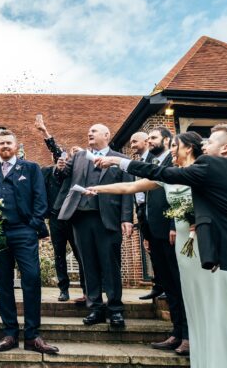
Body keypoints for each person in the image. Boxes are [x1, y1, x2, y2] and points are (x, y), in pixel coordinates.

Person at [96, 124, 227, 367]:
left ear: (225, 148)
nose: (205, 145)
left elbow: (166, 174)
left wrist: (117, 162)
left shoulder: (212, 166)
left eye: (211, 141)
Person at [55, 124, 134, 328]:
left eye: (94, 131)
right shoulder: (79, 157)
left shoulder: (120, 159)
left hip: (108, 219)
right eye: (88, 131)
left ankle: (115, 309)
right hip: (81, 218)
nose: (89, 133)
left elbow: (128, 190)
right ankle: (96, 308)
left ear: (106, 135)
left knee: (110, 265)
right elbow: (62, 177)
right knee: (88, 265)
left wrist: (127, 218)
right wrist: (60, 167)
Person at [0, 129, 59, 354]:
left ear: (16, 146)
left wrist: (33, 225)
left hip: (24, 231)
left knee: (31, 279)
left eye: (8, 143)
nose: (5, 146)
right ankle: (10, 333)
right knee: (3, 284)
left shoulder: (31, 168)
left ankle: (32, 335)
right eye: (1, 144)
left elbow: (41, 199)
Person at [137, 128, 189, 354]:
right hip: (154, 233)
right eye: (147, 139)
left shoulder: (172, 162)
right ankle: (176, 332)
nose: (149, 141)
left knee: (180, 285)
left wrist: (172, 226)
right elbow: (143, 199)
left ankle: (188, 335)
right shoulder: (151, 162)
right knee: (168, 285)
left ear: (167, 141)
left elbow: (179, 197)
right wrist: (146, 234)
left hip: (173, 232)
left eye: (153, 138)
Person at [34, 116, 86, 302]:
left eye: (78, 153)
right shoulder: (48, 172)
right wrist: (44, 131)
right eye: (71, 153)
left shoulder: (78, 174)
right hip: (56, 219)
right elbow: (57, 153)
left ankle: (86, 290)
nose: (72, 155)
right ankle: (63, 289)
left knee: (80, 254)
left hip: (75, 219)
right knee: (59, 255)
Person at [129, 132, 165, 301]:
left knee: (160, 247)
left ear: (146, 141)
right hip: (142, 210)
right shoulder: (139, 162)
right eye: (130, 142)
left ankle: (166, 285)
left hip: (155, 208)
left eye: (135, 141)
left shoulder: (154, 159)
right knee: (151, 248)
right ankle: (158, 285)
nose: (132, 145)